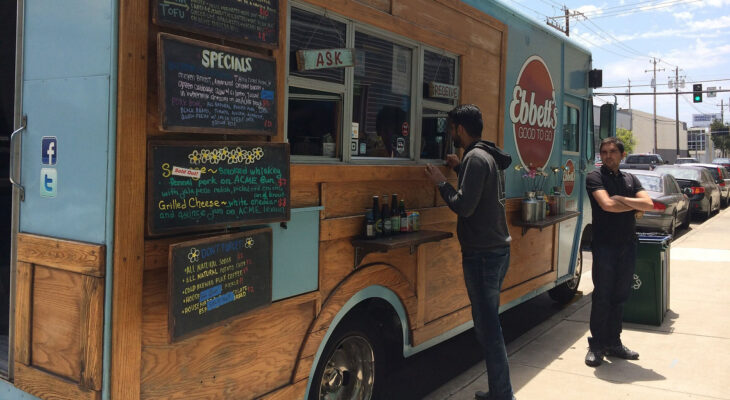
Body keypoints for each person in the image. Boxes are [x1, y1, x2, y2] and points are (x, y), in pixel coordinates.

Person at [424, 104, 515, 400]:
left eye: (451, 129)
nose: (450, 134)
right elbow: (479, 186)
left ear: (460, 129)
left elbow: (464, 205)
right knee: (488, 327)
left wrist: (440, 180)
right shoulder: (484, 155)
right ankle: (499, 391)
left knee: (489, 330)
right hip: (496, 251)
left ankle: (502, 394)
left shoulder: (475, 158)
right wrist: (456, 167)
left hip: (483, 256)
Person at [584, 137, 654, 367]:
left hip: (628, 245)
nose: (608, 155)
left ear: (622, 155)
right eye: (604, 152)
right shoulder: (595, 177)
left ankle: (614, 343)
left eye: (613, 151)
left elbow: (649, 204)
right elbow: (606, 205)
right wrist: (633, 204)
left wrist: (622, 199)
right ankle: (596, 345)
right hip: (604, 246)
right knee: (602, 296)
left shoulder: (630, 178)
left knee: (620, 296)